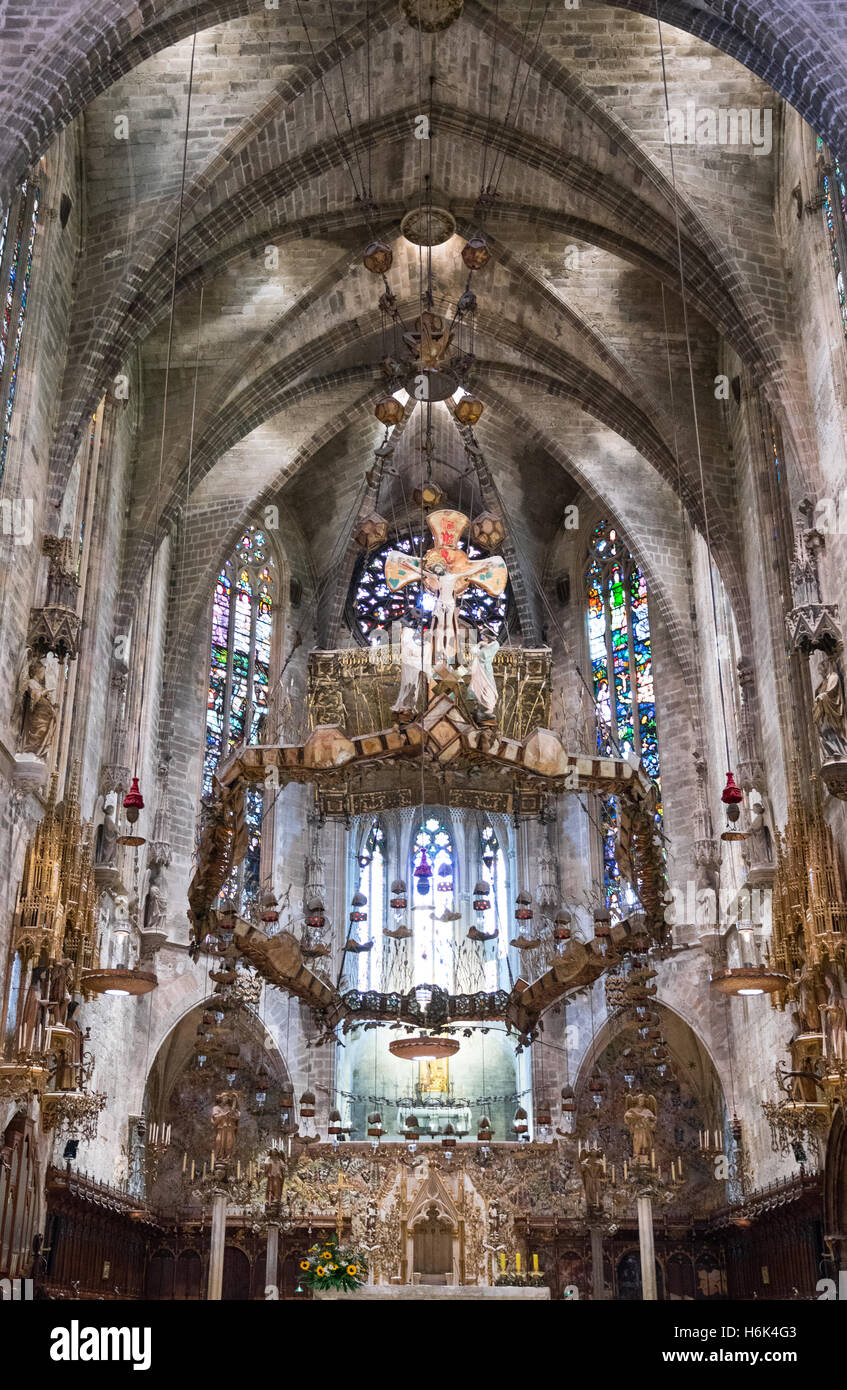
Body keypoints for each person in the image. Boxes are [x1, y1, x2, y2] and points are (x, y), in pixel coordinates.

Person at [470, 627, 500, 719]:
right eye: (482, 637)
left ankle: (488, 709)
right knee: (479, 687)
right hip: (479, 668)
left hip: (486, 669)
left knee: (487, 687)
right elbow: (472, 651)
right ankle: (480, 707)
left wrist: (481, 647)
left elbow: (484, 656)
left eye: (484, 637)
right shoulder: (484, 644)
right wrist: (479, 644)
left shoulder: (495, 644)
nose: (483, 638)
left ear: (488, 636)